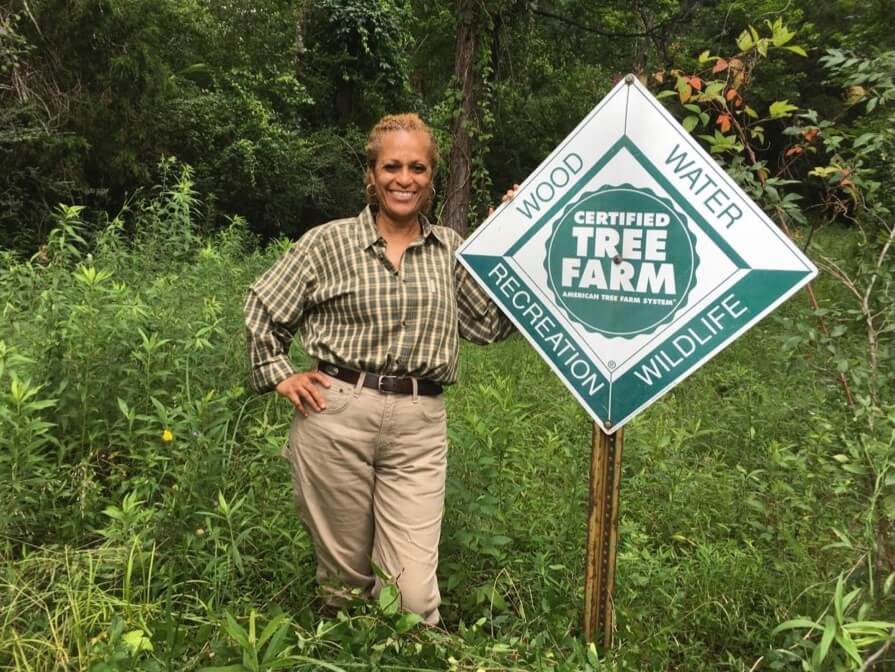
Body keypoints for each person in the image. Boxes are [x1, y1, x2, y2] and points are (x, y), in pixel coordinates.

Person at [243, 113, 514, 626]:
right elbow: (263, 305)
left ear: (432, 177)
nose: (404, 179)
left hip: (418, 424)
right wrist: (279, 372)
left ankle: (406, 643)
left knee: (410, 600)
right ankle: (347, 651)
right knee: (344, 590)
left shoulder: (451, 251)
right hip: (335, 413)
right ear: (372, 173)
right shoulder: (328, 243)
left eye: (417, 167)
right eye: (392, 166)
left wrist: (515, 237)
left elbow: (488, 326)